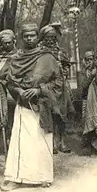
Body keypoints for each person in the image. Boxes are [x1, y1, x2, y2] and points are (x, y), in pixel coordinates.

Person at [0, 23, 63, 192]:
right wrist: (18, 90)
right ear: (21, 37)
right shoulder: (16, 58)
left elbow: (58, 82)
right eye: (25, 36)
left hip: (41, 105)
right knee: (21, 141)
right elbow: (7, 80)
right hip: (23, 105)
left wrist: (38, 90)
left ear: (37, 37)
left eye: (32, 35)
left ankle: (43, 177)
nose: (29, 38)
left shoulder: (47, 57)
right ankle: (16, 177)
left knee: (41, 140)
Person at [39, 24, 75, 154]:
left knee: (62, 115)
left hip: (61, 86)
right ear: (43, 37)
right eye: (47, 37)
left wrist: (61, 70)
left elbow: (66, 67)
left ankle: (63, 142)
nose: (50, 40)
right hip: (47, 86)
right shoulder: (39, 51)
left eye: (53, 37)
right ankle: (52, 142)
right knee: (50, 115)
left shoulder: (61, 52)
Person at [0, 29, 18, 145]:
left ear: (14, 41)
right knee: (4, 115)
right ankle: (6, 140)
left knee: (15, 114)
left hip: (15, 88)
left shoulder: (20, 55)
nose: (7, 45)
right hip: (2, 88)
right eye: (5, 43)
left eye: (9, 42)